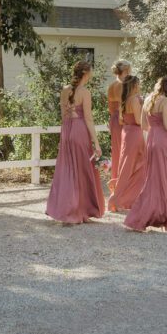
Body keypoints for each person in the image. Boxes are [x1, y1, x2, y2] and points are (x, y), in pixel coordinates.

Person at [124, 75, 167, 233]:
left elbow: (143, 125)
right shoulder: (166, 101)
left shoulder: (148, 99)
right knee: (166, 180)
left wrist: (155, 130)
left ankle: (143, 217)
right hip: (163, 142)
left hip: (152, 141)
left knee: (153, 181)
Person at [46, 59, 105, 224]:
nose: (92, 74)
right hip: (79, 131)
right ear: (86, 73)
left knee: (67, 171)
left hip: (67, 131)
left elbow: (63, 114)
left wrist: (66, 131)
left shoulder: (65, 90)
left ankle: (68, 209)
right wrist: (97, 143)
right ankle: (79, 210)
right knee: (81, 171)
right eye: (91, 71)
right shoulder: (85, 92)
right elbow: (88, 119)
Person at [109, 75, 145, 213]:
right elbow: (138, 120)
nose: (140, 86)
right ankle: (116, 199)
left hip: (127, 132)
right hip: (135, 133)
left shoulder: (125, 100)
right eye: (139, 84)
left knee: (129, 166)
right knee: (135, 167)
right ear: (134, 86)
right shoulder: (135, 100)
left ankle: (130, 198)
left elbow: (121, 121)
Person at [108, 59, 131, 193]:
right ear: (126, 70)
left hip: (115, 119)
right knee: (127, 152)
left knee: (117, 152)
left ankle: (117, 185)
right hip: (124, 119)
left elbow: (111, 108)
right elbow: (124, 105)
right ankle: (125, 187)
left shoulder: (111, 86)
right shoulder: (124, 85)